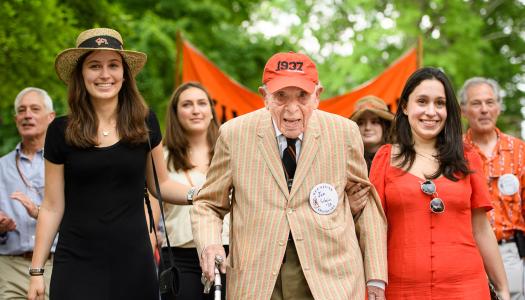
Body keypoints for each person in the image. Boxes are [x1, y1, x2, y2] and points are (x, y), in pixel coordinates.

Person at [191, 51, 388, 300]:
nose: (292, 109)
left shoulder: (345, 133)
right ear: (264, 97)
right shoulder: (234, 135)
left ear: (317, 96)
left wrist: (376, 278)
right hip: (258, 281)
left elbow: (366, 207)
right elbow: (208, 203)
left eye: (303, 96)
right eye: (281, 96)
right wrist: (210, 243)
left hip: (331, 281)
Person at [27, 28, 194, 300]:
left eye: (113, 65)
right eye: (95, 66)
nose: (105, 74)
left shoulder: (145, 122)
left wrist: (197, 194)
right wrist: (36, 272)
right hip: (75, 263)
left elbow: (160, 184)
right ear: (81, 74)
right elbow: (52, 206)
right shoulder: (60, 130)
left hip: (133, 261)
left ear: (125, 74)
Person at [369, 67, 510, 299]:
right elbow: (373, 229)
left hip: (466, 289)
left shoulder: (467, 158)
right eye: (422, 101)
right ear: (405, 106)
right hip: (401, 290)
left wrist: (503, 290)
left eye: (440, 103)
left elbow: (482, 229)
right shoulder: (385, 158)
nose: (431, 112)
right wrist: (374, 284)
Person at [161, 82, 230, 299]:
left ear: (211, 110)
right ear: (175, 113)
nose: (195, 110)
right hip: (180, 256)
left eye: (202, 103)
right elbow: (152, 210)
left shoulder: (232, 152)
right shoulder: (161, 156)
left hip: (229, 254)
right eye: (187, 104)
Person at [460, 77, 525, 300]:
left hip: (511, 253)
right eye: (476, 103)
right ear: (463, 110)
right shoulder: (454, 153)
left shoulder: (519, 150)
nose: (484, 109)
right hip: (468, 253)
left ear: (498, 106)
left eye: (490, 102)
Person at [0, 87, 56, 299]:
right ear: (16, 120)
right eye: (22, 111)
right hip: (10, 266)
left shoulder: (64, 163)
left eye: (34, 109)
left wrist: (39, 212)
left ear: (50, 117)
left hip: (55, 265)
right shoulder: (1, 167)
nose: (27, 115)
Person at [350, 95, 394, 172]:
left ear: (385, 126)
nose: (368, 127)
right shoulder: (347, 160)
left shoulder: (399, 158)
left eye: (374, 122)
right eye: (361, 123)